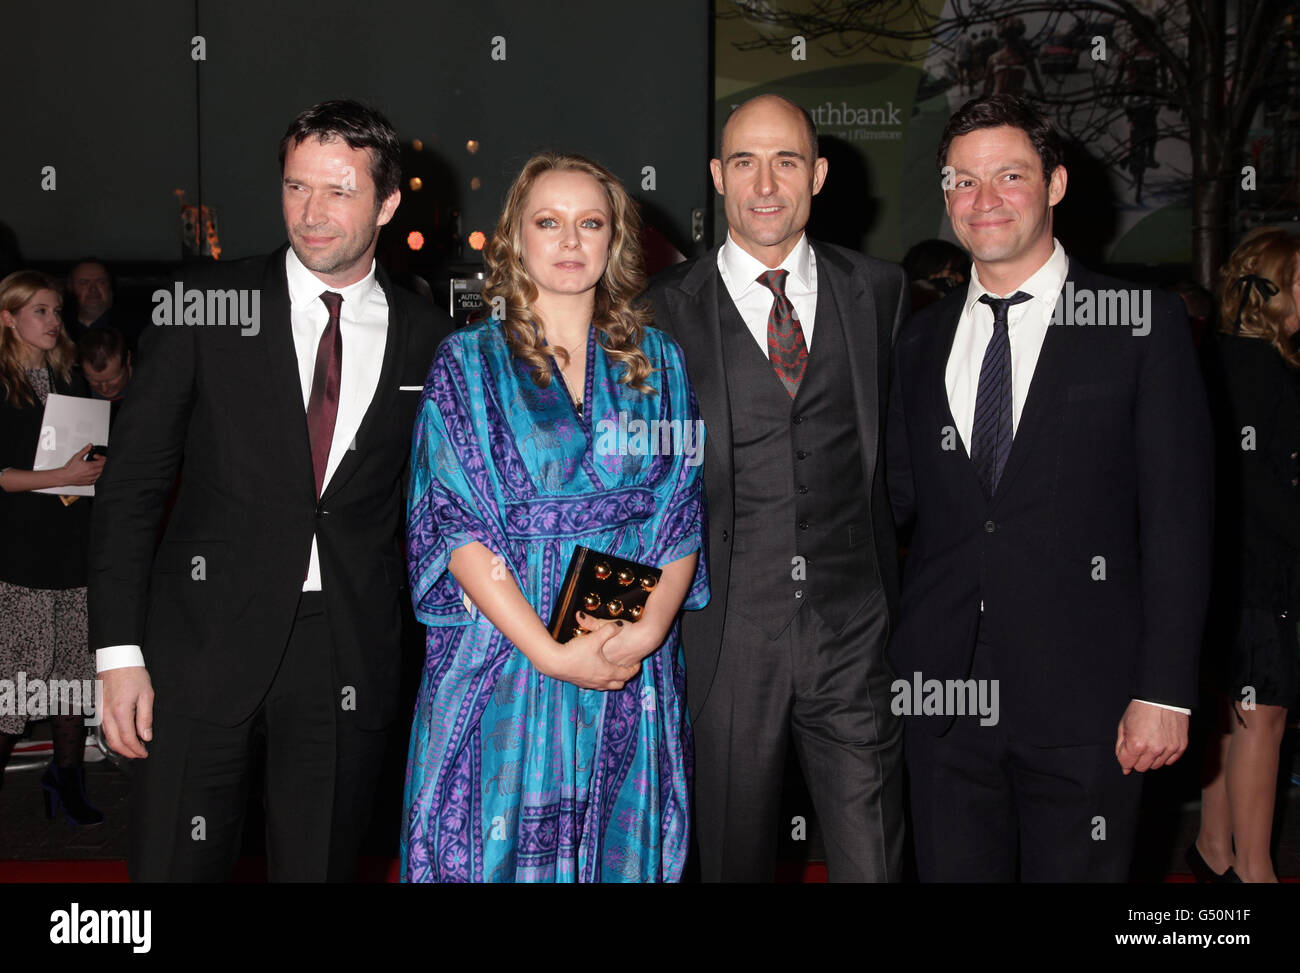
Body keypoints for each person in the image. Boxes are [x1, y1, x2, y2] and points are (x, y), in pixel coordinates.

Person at [89, 99, 452, 881]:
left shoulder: (430, 338)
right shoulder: (203, 306)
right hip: (198, 645)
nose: (312, 214)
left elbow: (448, 504)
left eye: (340, 191)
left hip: (345, 652)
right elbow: (130, 489)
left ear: (388, 202)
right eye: (296, 187)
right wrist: (117, 651)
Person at [888, 94, 1213, 881]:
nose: (984, 199)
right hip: (943, 704)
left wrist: (1166, 689)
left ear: (1056, 185)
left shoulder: (1140, 322)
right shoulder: (919, 335)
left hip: (1091, 702)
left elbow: (1181, 517)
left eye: (1009, 176)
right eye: (962, 181)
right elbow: (899, 509)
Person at [402, 152, 707, 883]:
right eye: (550, 222)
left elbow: (681, 511)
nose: (570, 241)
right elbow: (456, 524)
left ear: (613, 240)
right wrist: (548, 651)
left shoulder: (659, 361)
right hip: (502, 661)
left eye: (589, 223)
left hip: (627, 660)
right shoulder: (465, 363)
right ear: (516, 238)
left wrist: (647, 631)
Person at [645, 94, 910, 882]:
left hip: (856, 637)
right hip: (723, 639)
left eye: (787, 160)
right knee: (730, 862)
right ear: (719, 176)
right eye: (747, 162)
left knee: (875, 864)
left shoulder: (883, 292)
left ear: (819, 174)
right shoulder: (656, 312)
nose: (767, 183)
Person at [1192, 227, 1300, 884]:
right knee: (1263, 714)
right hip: (1261, 566)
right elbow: (1267, 488)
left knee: (1234, 713)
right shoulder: (1260, 370)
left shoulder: (1233, 358)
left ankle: (1213, 847)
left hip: (1235, 566)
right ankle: (1253, 872)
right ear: (1275, 289)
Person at [0, 270, 105, 824]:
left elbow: (81, 454)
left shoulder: (68, 375)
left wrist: (93, 468)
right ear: (8, 318)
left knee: (72, 678)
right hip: (22, 551)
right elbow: (4, 476)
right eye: (40, 311)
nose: (54, 321)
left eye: (56, 312)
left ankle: (66, 782)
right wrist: (61, 474)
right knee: (16, 686)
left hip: (73, 544)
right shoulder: (2, 381)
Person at [76, 326, 131, 424]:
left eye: (112, 379)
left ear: (127, 360)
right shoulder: (75, 393)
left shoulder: (151, 388)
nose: (104, 388)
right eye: (95, 381)